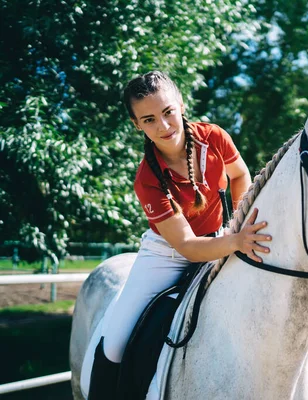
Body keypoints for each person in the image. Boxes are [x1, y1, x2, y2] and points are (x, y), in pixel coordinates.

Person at [88, 71, 272, 399]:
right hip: (165, 255)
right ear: (137, 125)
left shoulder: (214, 137)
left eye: (168, 112)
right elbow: (187, 246)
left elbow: (241, 174)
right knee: (114, 342)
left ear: (181, 105)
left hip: (223, 237)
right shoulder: (146, 179)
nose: (163, 125)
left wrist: (238, 225)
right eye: (149, 119)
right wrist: (235, 241)